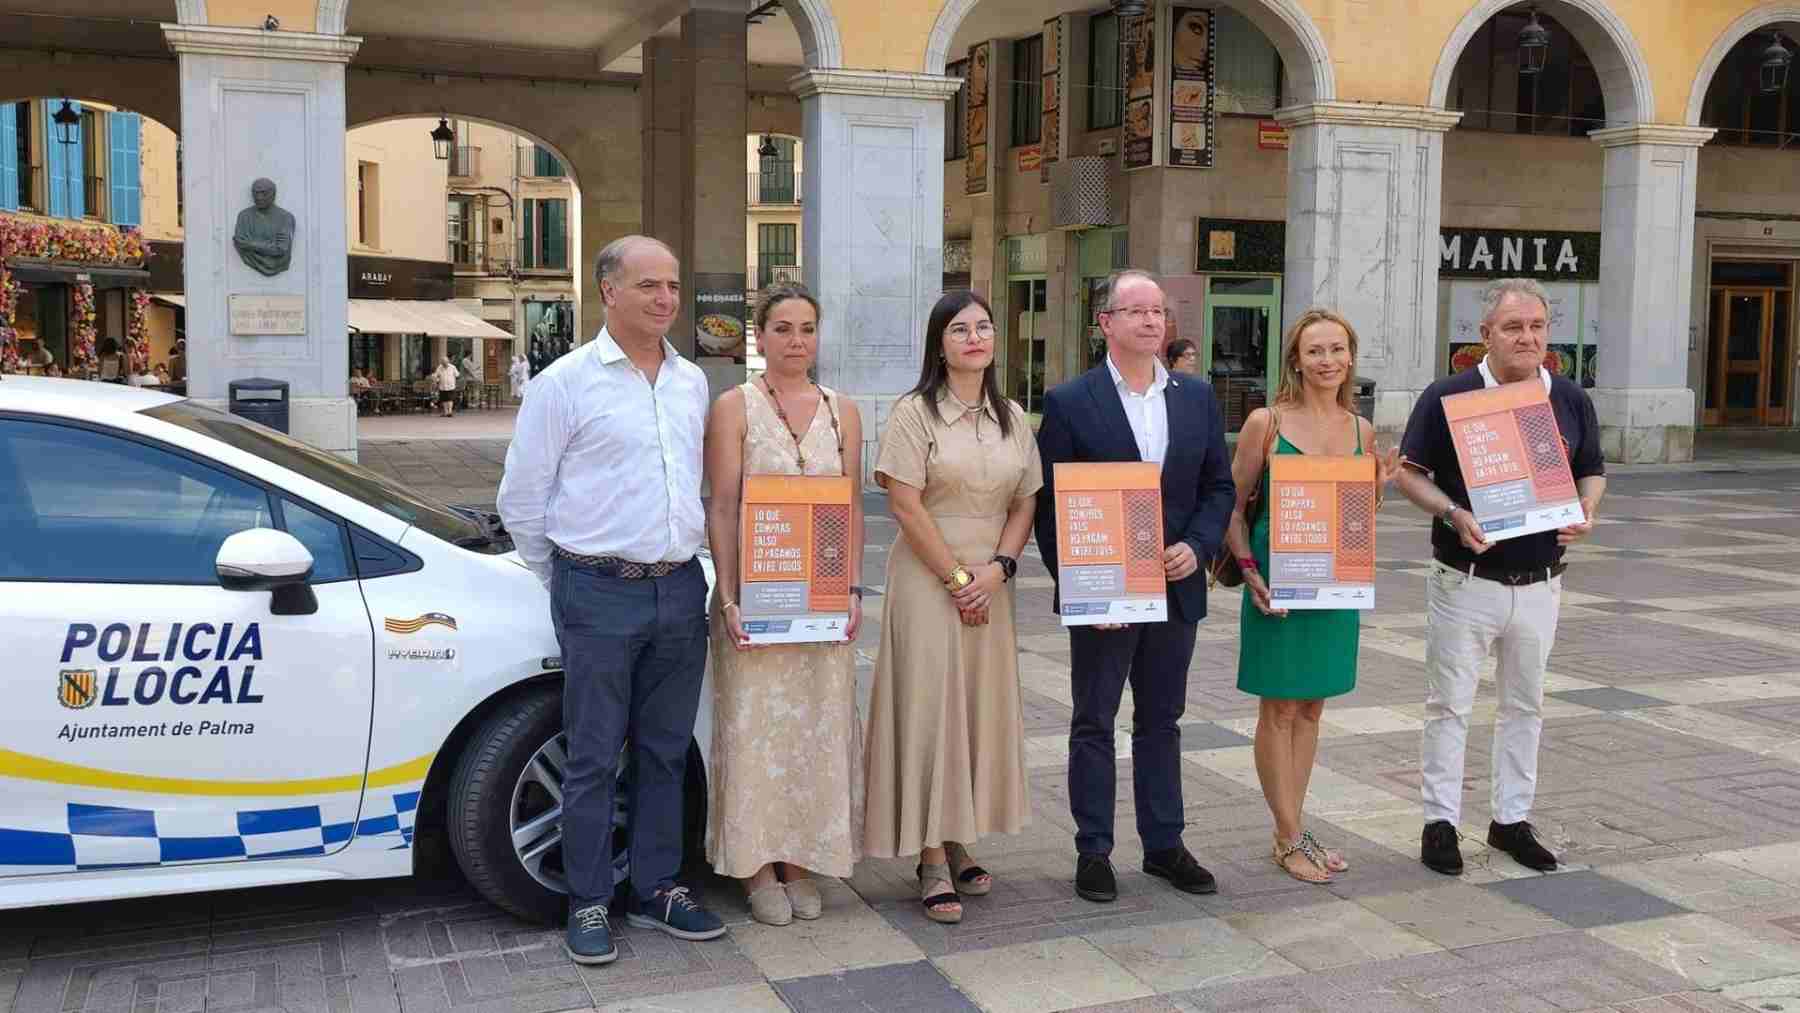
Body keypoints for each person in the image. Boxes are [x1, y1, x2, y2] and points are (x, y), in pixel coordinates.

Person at [496, 235, 723, 965]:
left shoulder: (692, 382)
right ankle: (588, 898)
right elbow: (522, 499)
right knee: (592, 753)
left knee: (664, 749)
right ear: (609, 292)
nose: (665, 299)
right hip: (597, 589)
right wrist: (565, 576)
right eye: (649, 285)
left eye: (673, 285)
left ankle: (657, 888)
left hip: (680, 587)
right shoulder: (564, 383)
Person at [1034, 269, 1236, 904]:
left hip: (1175, 588)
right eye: (1137, 311)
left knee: (1162, 720)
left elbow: (1218, 488)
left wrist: (1197, 547)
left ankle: (1164, 845)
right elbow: (1050, 509)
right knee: (1094, 720)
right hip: (1106, 593)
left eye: (1159, 312)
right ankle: (1094, 850)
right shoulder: (1070, 402)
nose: (1152, 322)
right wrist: (1085, 588)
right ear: (1106, 324)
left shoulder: (1197, 397)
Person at [1395, 277, 1605, 877]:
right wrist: (1452, 512)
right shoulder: (1448, 395)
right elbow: (1410, 474)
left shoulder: (1567, 397)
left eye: (1537, 327)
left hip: (1541, 581)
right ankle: (1440, 822)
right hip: (1466, 578)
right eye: (1513, 327)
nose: (1527, 338)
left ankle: (1510, 819)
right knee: (1449, 704)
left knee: (1525, 705)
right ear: (1485, 334)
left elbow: (1591, 469)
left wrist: (1588, 509)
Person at [864, 289, 1041, 925]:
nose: (975, 338)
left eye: (985, 327)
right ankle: (932, 855)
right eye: (960, 329)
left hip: (992, 579)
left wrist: (998, 571)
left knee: (975, 710)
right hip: (928, 577)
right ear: (939, 343)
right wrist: (959, 576)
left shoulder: (1013, 416)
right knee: (931, 710)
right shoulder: (915, 413)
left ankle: (962, 832)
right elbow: (904, 504)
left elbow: (1026, 501)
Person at [702, 285, 865, 927]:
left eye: (807, 329)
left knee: (815, 731)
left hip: (821, 596)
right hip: (757, 592)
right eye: (783, 329)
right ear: (760, 336)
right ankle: (755, 865)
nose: (797, 341)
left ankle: (801, 856)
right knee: (753, 729)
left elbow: (849, 506)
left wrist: (851, 589)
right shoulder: (733, 407)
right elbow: (719, 505)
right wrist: (731, 594)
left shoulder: (842, 410)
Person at [1224, 309, 1401, 884]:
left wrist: (1377, 487)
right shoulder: (1266, 423)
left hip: (1333, 583)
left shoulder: (1361, 431)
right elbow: (1230, 503)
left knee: (1312, 708)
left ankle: (1294, 827)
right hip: (1277, 582)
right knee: (1278, 709)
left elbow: (1357, 518)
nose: (1328, 361)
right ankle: (1287, 835)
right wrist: (1249, 571)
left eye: (1337, 350)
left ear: (1350, 357)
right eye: (1315, 351)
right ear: (1295, 360)